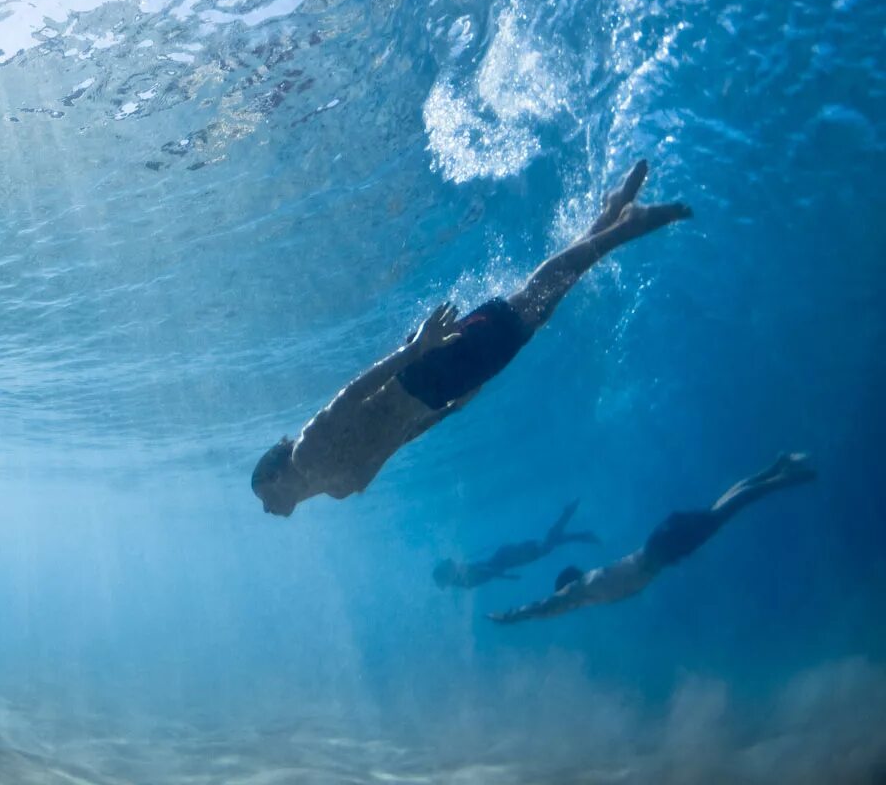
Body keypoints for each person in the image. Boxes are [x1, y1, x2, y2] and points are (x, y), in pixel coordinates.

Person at [250, 161, 689, 518]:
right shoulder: (338, 490)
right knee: (531, 319)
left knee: (525, 307)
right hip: (437, 393)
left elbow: (352, 393)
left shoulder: (306, 453)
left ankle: (623, 230)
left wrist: (416, 348)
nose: (268, 510)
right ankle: (610, 215)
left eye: (263, 499)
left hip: (423, 369)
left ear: (274, 476)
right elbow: (400, 436)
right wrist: (448, 411)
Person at [488, 453, 816, 623]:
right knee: (718, 509)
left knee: (725, 511)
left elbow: (545, 606)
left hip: (663, 548)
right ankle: (777, 466)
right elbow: (552, 608)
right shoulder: (591, 590)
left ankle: (785, 477)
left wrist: (511, 616)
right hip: (659, 542)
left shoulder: (581, 589)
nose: (566, 604)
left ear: (567, 587)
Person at [433, 501, 599, 589]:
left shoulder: (464, 577)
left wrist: (505, 577)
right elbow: (483, 569)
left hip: (509, 558)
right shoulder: (461, 579)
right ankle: (578, 530)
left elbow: (485, 570)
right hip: (506, 557)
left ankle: (570, 518)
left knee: (547, 547)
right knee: (548, 546)